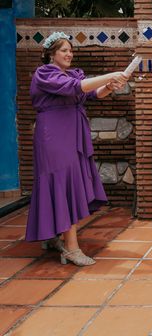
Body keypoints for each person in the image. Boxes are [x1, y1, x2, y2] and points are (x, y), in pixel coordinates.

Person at [26, 32, 129, 266]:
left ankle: (52, 236)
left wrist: (110, 86)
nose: (69, 54)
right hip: (53, 134)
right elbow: (76, 87)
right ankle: (71, 248)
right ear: (51, 54)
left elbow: (92, 94)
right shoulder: (45, 73)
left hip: (72, 134)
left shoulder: (71, 74)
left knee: (64, 182)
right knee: (61, 182)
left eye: (71, 50)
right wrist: (110, 75)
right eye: (64, 50)